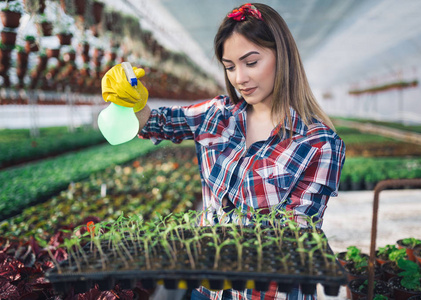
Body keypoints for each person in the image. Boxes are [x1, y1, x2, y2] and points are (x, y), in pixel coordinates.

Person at [101, 3, 345, 299]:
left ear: (283, 58)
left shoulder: (319, 143)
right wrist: (134, 103)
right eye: (230, 66)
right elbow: (154, 123)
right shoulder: (218, 115)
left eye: (251, 62)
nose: (239, 77)